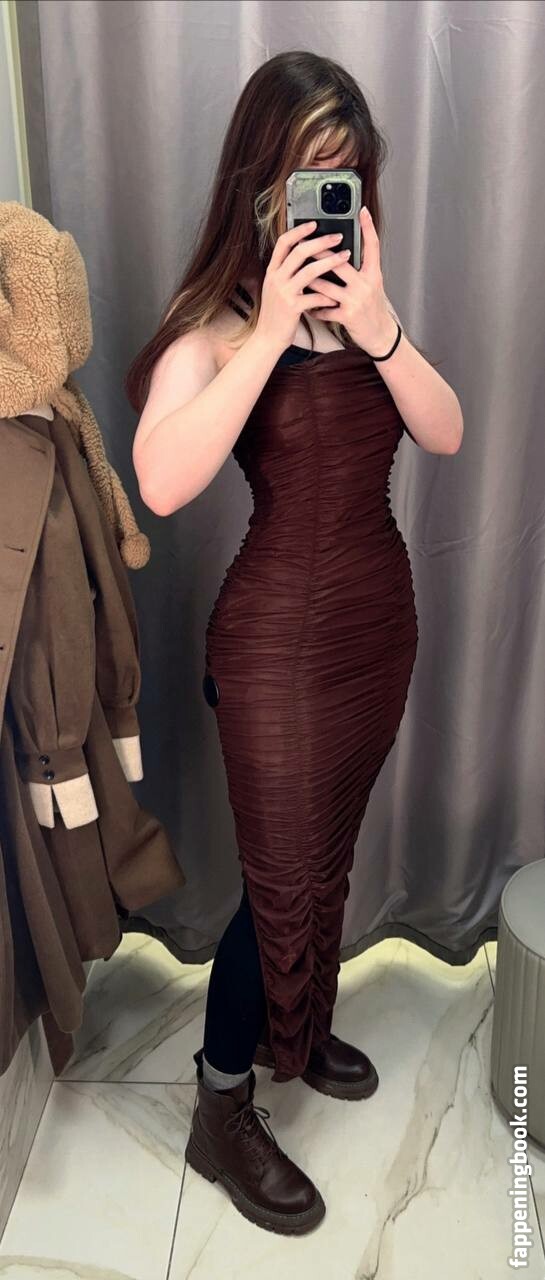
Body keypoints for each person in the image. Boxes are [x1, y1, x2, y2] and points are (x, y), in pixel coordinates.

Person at [126, 51, 463, 1236]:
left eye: (348, 177)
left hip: (378, 629)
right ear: (258, 181)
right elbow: (162, 481)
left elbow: (444, 429)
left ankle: (300, 1026)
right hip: (272, 647)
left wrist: (379, 325)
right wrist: (269, 328)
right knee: (276, 881)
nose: (331, 199)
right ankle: (220, 1109)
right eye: (311, 173)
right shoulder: (213, 329)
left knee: (327, 859)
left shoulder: (364, 312)